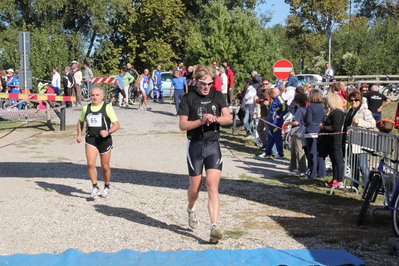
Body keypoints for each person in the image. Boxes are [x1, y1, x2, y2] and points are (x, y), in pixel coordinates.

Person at [177, 64, 232, 244]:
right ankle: (191, 208)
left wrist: (215, 118)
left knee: (212, 185)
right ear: (196, 81)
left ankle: (214, 226)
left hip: (213, 145)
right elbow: (183, 125)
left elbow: (228, 118)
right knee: (195, 188)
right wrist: (201, 121)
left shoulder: (218, 96)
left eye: (210, 83)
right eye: (203, 83)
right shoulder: (188, 98)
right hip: (195, 145)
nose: (207, 87)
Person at [76, 87, 120, 198]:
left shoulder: (108, 108)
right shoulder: (86, 108)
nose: (94, 97)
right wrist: (79, 135)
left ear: (102, 96)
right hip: (91, 139)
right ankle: (94, 187)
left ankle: (107, 186)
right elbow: (80, 122)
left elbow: (117, 125)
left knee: (105, 166)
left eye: (97, 95)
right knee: (90, 164)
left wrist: (108, 132)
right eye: (92, 95)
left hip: (104, 140)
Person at [343, 91, 376, 185]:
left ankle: (368, 187)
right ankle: (354, 185)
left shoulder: (365, 111)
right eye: (351, 100)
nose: (354, 102)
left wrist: (360, 122)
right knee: (353, 165)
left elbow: (372, 124)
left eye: (356, 100)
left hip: (361, 142)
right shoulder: (350, 111)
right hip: (350, 141)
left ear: (360, 101)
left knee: (363, 166)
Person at [319, 93, 345, 187]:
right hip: (329, 139)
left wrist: (324, 127)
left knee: (338, 160)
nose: (326, 102)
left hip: (335, 140)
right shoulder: (332, 112)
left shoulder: (338, 113)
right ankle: (334, 178)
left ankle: (340, 179)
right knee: (333, 160)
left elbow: (335, 127)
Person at [260, 87, 288, 159]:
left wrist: (280, 115)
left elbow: (285, 108)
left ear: (273, 93)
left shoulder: (279, 99)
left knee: (277, 138)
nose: (269, 95)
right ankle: (267, 152)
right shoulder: (274, 100)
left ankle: (280, 153)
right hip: (271, 121)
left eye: (270, 93)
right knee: (270, 137)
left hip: (276, 122)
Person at [304, 89, 326, 179]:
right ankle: (321, 173)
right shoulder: (321, 106)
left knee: (312, 152)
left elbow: (308, 120)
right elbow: (324, 118)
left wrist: (303, 119)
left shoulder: (310, 106)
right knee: (319, 152)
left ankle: (313, 173)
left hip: (311, 130)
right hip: (319, 130)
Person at [285, 93, 308, 175]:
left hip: (299, 130)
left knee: (298, 150)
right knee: (293, 149)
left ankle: (302, 168)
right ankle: (292, 166)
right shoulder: (305, 108)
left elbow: (296, 122)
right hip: (300, 130)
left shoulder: (299, 110)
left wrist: (287, 123)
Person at [255, 78, 271, 149]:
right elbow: (257, 100)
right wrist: (261, 100)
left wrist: (262, 101)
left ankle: (269, 146)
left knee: (268, 131)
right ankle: (265, 144)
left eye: (266, 84)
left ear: (269, 84)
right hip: (262, 113)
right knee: (259, 129)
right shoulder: (263, 91)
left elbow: (266, 101)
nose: (264, 85)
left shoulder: (269, 92)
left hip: (267, 113)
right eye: (263, 84)